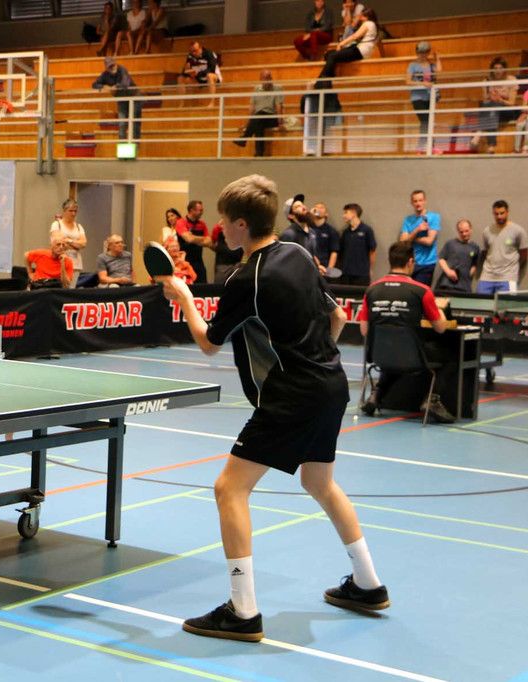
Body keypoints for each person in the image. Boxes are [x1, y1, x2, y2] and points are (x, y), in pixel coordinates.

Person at [161, 174, 389, 643]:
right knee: (319, 482)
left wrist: (184, 298)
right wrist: (312, 359)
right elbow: (337, 316)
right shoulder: (299, 253)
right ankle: (368, 584)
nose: (221, 228)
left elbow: (208, 342)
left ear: (242, 225)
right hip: (331, 383)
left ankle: (242, 610)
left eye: (225, 221)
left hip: (293, 394)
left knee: (229, 488)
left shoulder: (244, 278)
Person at [357, 241, 454, 424]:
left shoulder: (371, 289)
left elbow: (364, 330)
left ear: (390, 261)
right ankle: (432, 400)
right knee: (450, 355)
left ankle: (376, 395)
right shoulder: (422, 290)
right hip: (412, 357)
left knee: (394, 352)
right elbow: (440, 328)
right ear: (410, 262)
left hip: (379, 355)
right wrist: (440, 310)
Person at [477, 200, 527, 294]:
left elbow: (524, 253)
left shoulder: (518, 230)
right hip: (487, 276)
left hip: (508, 277)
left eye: (502, 213)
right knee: (481, 302)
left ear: (507, 212)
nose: (499, 216)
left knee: (506, 303)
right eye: (496, 214)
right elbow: (485, 252)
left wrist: (513, 267)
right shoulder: (487, 231)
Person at [472, 57, 519, 154]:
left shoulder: (511, 79)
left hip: (507, 110)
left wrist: (500, 100)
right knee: (490, 109)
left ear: (504, 69)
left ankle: (480, 131)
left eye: (500, 68)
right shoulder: (487, 81)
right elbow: (485, 101)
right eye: (495, 68)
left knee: (492, 108)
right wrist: (490, 97)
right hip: (492, 110)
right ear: (492, 69)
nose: (498, 71)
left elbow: (512, 103)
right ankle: (491, 146)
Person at [233, 70, 284, 157]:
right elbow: (252, 107)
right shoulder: (257, 89)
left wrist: (280, 122)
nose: (267, 80)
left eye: (269, 77)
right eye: (264, 78)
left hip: (272, 117)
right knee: (258, 124)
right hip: (259, 118)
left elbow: (279, 106)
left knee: (258, 117)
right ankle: (259, 153)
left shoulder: (277, 88)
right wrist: (246, 124)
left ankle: (244, 138)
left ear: (271, 78)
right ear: (261, 79)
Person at [319, 7, 378, 79]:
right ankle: (330, 76)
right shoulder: (372, 24)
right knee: (328, 54)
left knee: (332, 56)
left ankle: (322, 80)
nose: (360, 16)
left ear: (367, 17)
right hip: (360, 49)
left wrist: (341, 44)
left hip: (361, 51)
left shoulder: (368, 23)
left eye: (362, 15)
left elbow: (355, 36)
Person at [93, 56, 141, 142]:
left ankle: (136, 144)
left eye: (113, 65)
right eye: (109, 66)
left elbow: (125, 84)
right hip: (121, 99)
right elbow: (94, 84)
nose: (112, 67)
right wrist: (104, 86)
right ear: (106, 68)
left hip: (134, 97)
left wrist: (115, 87)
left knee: (134, 123)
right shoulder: (105, 74)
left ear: (115, 63)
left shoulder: (122, 69)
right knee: (122, 123)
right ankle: (122, 145)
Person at [399, 189, 441, 286]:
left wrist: (411, 237)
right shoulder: (408, 220)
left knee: (421, 291)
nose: (418, 203)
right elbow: (402, 242)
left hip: (427, 263)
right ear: (412, 203)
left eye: (420, 200)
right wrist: (417, 230)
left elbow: (429, 241)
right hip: (410, 263)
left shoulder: (434, 217)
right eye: (415, 201)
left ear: (425, 201)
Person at [406, 41, 441, 153]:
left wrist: (437, 58)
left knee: (429, 122)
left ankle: (426, 146)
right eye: (420, 52)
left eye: (425, 52)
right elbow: (408, 81)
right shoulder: (412, 65)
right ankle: (424, 146)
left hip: (430, 97)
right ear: (417, 53)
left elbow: (439, 71)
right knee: (425, 121)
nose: (422, 55)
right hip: (417, 97)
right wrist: (422, 84)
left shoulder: (431, 65)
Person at [50, 198, 87, 287]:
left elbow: (83, 243)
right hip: (60, 262)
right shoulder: (57, 224)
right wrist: (76, 245)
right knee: (60, 287)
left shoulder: (79, 227)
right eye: (70, 211)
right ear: (64, 211)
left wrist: (68, 240)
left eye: (75, 211)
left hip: (76, 263)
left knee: (71, 288)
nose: (73, 213)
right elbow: (58, 243)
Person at [435, 219, 480, 294]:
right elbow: (441, 259)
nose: (464, 234)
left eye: (466, 231)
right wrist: (448, 272)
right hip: (447, 285)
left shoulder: (475, 247)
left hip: (465, 287)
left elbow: (475, 264)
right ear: (458, 231)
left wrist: (469, 274)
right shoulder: (450, 244)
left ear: (471, 230)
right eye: (461, 232)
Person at [338, 203, 377, 286]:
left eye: (346, 213)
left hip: (361, 274)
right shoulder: (345, 232)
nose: (343, 216)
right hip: (346, 274)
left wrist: (370, 269)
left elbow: (372, 251)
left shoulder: (367, 230)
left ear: (354, 213)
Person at [174, 199, 211, 284]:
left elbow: (209, 242)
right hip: (184, 262)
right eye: (200, 210)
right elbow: (188, 239)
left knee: (202, 286)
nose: (202, 212)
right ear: (191, 210)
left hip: (198, 262)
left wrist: (193, 237)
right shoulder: (181, 222)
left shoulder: (202, 224)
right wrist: (202, 239)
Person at [178, 41, 219, 107]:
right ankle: (181, 104)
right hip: (198, 79)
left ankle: (212, 102)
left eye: (195, 51)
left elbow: (212, 69)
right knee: (181, 78)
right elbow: (184, 71)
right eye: (191, 51)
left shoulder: (209, 53)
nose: (193, 53)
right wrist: (187, 71)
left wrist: (199, 74)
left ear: (200, 48)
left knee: (209, 75)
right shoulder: (190, 56)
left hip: (213, 77)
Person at [279, 194, 319, 262]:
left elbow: (310, 255)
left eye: (302, 205)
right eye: (298, 206)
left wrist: (317, 265)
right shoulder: (288, 235)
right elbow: (285, 261)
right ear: (291, 216)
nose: (304, 207)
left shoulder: (312, 232)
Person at [207, 218, 243, 284]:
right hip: (223, 266)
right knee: (220, 287)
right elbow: (213, 242)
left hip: (237, 263)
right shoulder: (220, 225)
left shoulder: (242, 224)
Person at [310, 202, 340, 277]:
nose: (318, 209)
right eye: (316, 207)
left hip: (324, 268)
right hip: (309, 266)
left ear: (326, 214)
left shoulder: (331, 231)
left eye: (321, 208)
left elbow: (334, 252)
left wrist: (329, 271)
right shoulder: (307, 228)